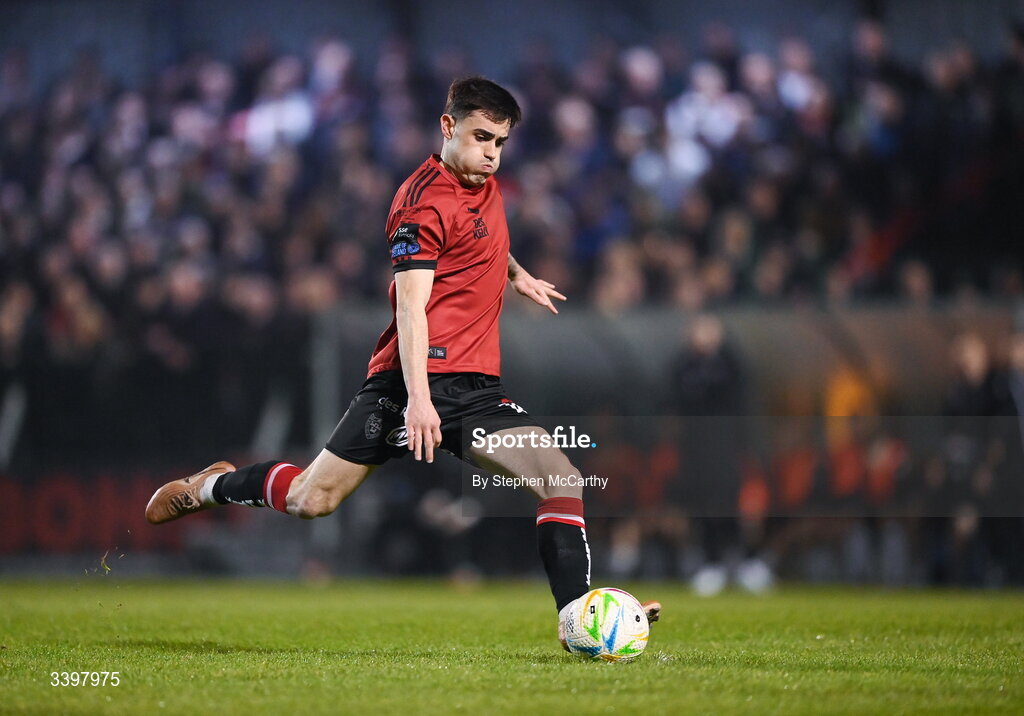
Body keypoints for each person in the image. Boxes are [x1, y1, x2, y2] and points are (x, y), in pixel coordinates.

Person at [145, 76, 659, 647]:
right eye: (481, 137)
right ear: (447, 127)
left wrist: (516, 275)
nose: (491, 153)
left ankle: (576, 621)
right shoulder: (420, 205)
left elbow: (479, 237)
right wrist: (417, 401)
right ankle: (214, 487)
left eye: (501, 142)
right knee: (311, 500)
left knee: (560, 478)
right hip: (409, 380)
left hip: (475, 386)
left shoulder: (480, 181)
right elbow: (411, 308)